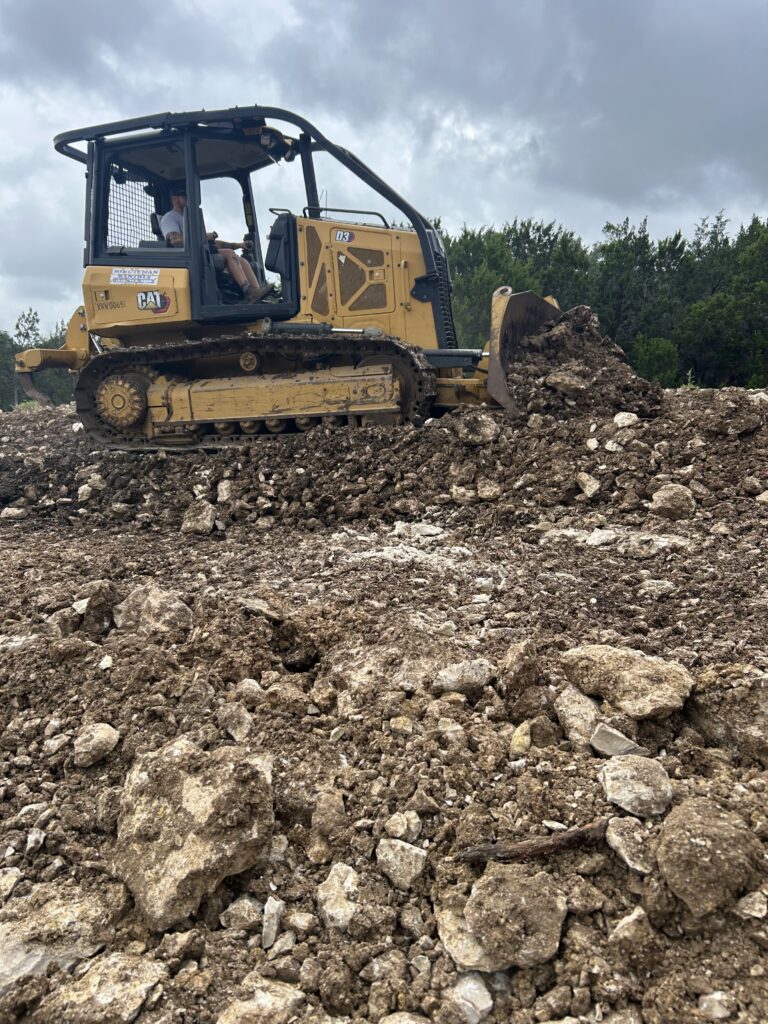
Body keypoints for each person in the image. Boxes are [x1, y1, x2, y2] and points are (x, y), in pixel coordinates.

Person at [159, 186, 270, 303]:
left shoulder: (189, 219)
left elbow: (210, 243)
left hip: (200, 253)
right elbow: (175, 240)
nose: (188, 199)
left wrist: (237, 245)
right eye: (184, 196)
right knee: (229, 254)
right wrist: (203, 236)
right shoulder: (169, 218)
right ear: (174, 199)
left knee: (241, 260)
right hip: (187, 258)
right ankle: (248, 290)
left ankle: (257, 293)